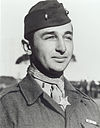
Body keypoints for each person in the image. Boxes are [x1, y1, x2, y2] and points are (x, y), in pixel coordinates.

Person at [0, 0, 100, 128]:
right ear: (28, 46)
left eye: (67, 37)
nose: (62, 47)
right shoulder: (6, 106)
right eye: (50, 37)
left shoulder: (88, 106)